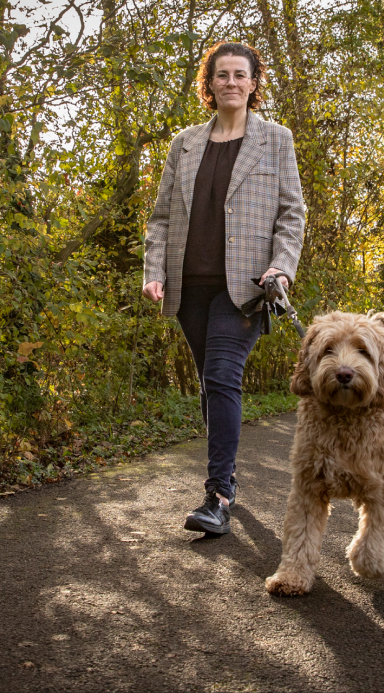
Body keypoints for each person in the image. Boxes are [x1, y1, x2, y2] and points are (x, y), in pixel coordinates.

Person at [142, 41, 305, 535]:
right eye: (221, 75)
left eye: (240, 74)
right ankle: (225, 476)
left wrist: (281, 268)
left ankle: (218, 496)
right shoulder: (185, 143)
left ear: (254, 84)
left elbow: (291, 214)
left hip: (247, 288)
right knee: (210, 387)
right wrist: (154, 269)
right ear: (208, 84)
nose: (231, 82)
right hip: (189, 284)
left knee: (221, 377)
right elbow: (162, 216)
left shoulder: (276, 139)